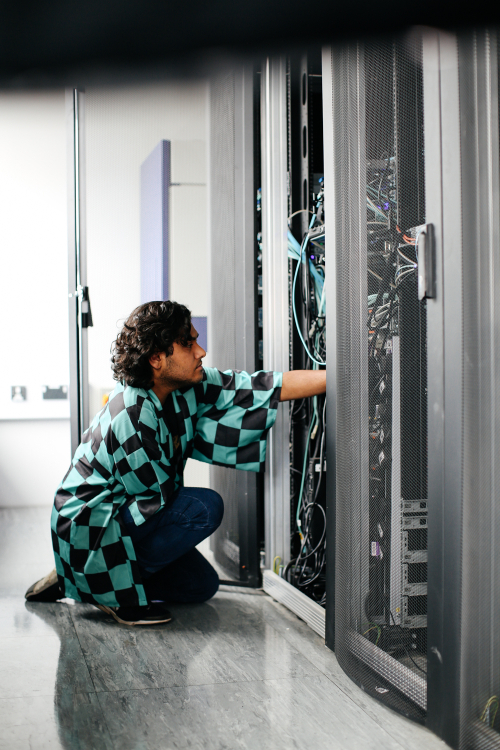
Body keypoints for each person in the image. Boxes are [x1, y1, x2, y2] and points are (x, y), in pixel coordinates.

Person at [26, 301, 326, 625]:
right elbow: (156, 502)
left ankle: (77, 574)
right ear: (156, 358)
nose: (201, 351)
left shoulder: (181, 388)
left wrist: (339, 375)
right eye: (188, 343)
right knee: (204, 507)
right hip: (90, 522)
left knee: (201, 586)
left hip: (127, 513)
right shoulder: (131, 413)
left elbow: (260, 387)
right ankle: (95, 581)